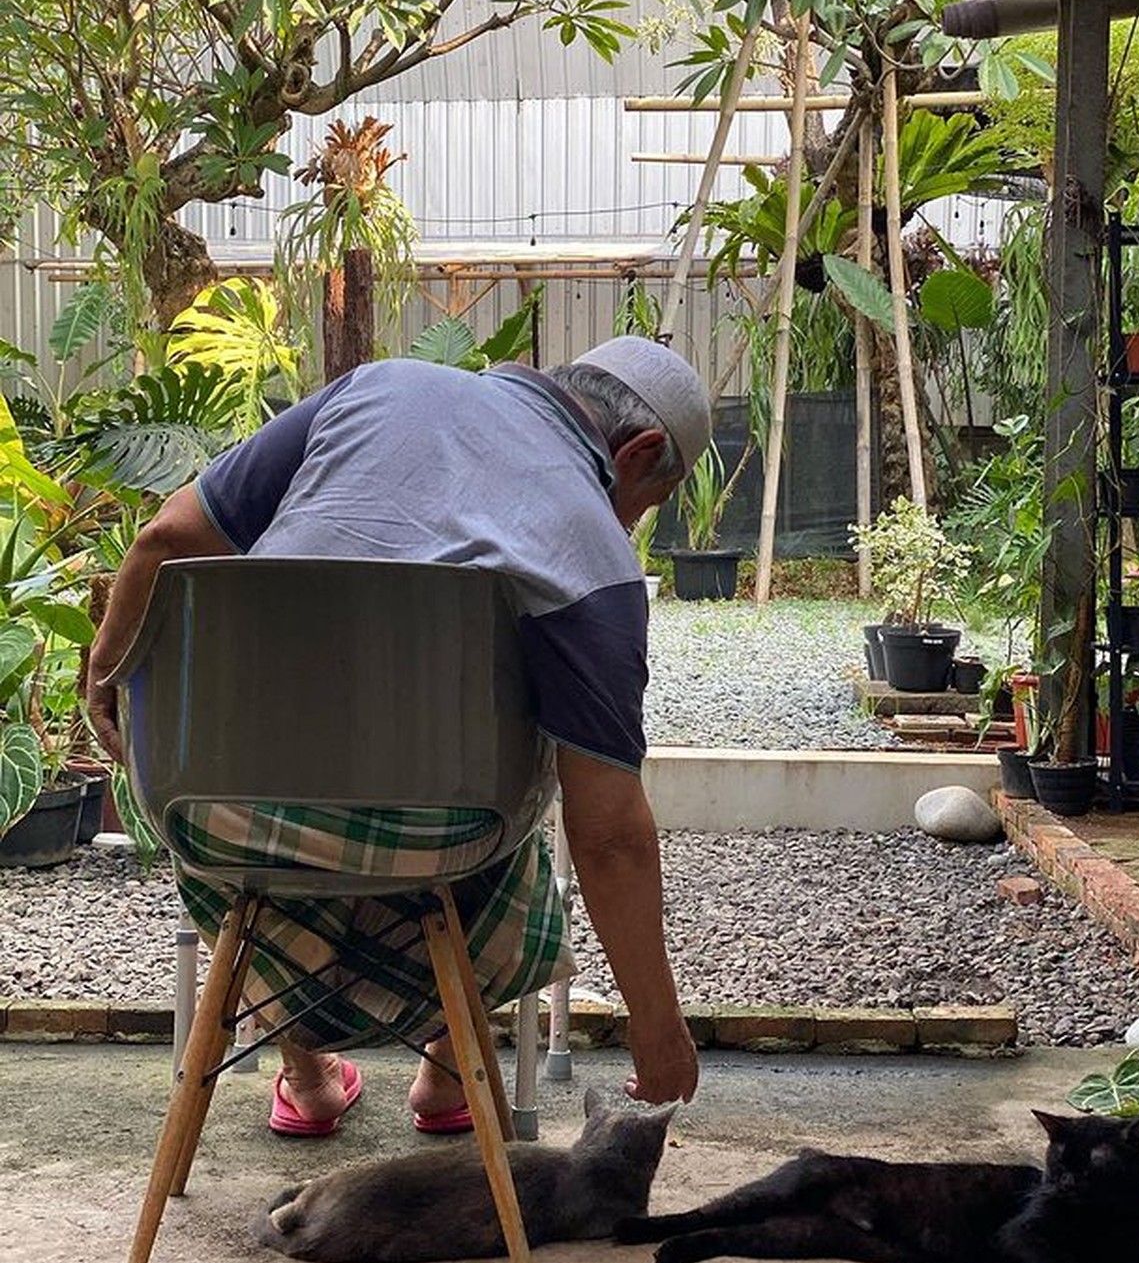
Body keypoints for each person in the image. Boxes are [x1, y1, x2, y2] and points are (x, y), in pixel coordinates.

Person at [87, 336, 710, 1135]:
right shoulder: (596, 555)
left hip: (221, 819)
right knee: (530, 772)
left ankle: (307, 1077)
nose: (631, 518)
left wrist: (106, 668)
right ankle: (450, 1068)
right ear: (643, 450)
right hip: (444, 843)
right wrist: (658, 1030)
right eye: (645, 501)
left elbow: (167, 539)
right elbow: (610, 837)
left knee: (277, 799)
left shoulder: (376, 388)